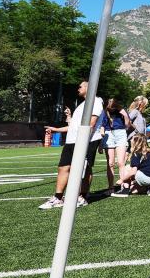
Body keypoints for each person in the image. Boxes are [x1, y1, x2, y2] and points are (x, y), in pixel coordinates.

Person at [40, 80, 104, 209]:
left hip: (87, 141)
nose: (78, 88)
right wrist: (56, 129)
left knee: (85, 169)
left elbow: (91, 124)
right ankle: (58, 198)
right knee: (63, 167)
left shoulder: (96, 102)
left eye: (80, 86)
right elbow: (73, 127)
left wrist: (83, 142)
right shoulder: (82, 105)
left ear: (89, 87)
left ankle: (83, 197)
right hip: (71, 141)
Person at [100, 97, 131, 191]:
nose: (111, 109)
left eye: (112, 108)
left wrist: (125, 115)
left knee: (121, 162)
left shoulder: (122, 110)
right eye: (109, 108)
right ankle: (111, 187)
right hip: (108, 134)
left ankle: (124, 185)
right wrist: (101, 142)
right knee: (110, 163)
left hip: (121, 133)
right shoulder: (105, 112)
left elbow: (127, 125)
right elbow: (102, 126)